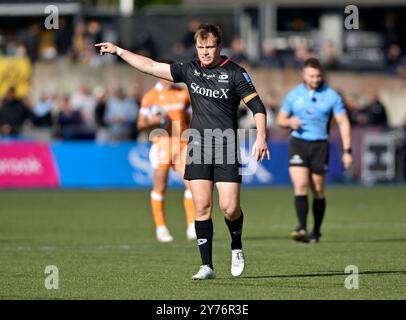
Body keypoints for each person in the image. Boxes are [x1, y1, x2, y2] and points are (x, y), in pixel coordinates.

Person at [96, 23, 270, 280]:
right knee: (201, 206)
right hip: (197, 145)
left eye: (210, 47)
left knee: (230, 208)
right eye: (201, 47)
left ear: (219, 46)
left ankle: (236, 247)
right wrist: (119, 50)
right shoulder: (190, 69)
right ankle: (206, 265)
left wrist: (261, 137)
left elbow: (257, 107)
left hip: (225, 145)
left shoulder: (235, 73)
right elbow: (151, 66)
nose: (205, 52)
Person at [277, 57, 352, 243]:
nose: (315, 79)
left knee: (318, 189)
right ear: (304, 75)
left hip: (320, 145)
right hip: (299, 143)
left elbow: (343, 122)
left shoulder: (332, 96)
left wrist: (347, 151)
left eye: (318, 76)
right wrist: (289, 122)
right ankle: (301, 228)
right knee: (300, 185)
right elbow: (280, 119)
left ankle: (316, 232)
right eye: (311, 76)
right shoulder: (294, 95)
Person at [137, 62, 196, 242]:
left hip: (182, 144)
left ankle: (192, 226)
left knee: (192, 184)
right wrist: (152, 121)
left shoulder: (183, 94)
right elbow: (140, 124)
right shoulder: (150, 97)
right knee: (160, 187)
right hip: (161, 144)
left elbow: (191, 117)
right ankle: (161, 228)